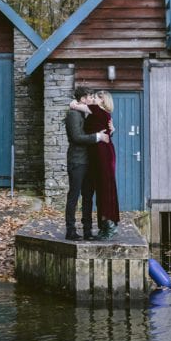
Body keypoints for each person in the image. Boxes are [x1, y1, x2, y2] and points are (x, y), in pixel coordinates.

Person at [64, 86, 108, 241]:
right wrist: (97, 137)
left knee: (88, 197)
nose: (91, 99)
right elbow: (76, 137)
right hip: (77, 161)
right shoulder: (73, 115)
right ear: (82, 99)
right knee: (74, 196)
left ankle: (88, 231)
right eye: (89, 97)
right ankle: (70, 230)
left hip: (89, 162)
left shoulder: (86, 112)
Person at [85, 91, 120, 239]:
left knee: (104, 189)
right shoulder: (105, 114)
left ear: (102, 100)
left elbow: (74, 105)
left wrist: (75, 103)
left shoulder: (95, 110)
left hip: (102, 155)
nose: (92, 99)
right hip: (106, 153)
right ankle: (107, 225)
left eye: (95, 97)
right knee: (107, 188)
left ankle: (109, 226)